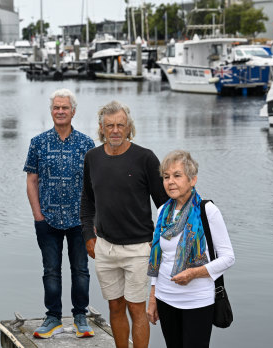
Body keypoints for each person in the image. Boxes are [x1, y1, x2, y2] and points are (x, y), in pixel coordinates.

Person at [80, 100, 169, 348]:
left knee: (136, 308)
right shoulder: (92, 158)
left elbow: (164, 205)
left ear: (128, 126)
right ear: (101, 129)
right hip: (105, 247)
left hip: (139, 249)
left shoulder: (146, 158)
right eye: (110, 126)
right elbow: (87, 202)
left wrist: (159, 242)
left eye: (120, 125)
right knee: (115, 306)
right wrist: (89, 235)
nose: (115, 130)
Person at [23, 89, 96, 339]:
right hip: (48, 219)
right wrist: (38, 216)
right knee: (51, 270)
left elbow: (94, 185)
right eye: (56, 107)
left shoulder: (86, 144)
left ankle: (80, 316)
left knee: (81, 270)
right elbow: (32, 181)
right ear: (51, 111)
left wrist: (93, 220)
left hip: (79, 220)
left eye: (65, 107)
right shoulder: (38, 142)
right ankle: (53, 317)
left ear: (73, 112)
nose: (60, 111)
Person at [146, 150, 235, 348]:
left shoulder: (207, 211)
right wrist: (153, 297)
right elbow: (158, 258)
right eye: (166, 177)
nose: (170, 182)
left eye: (177, 176)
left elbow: (228, 258)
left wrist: (194, 273)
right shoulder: (162, 212)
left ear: (192, 180)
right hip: (165, 297)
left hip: (197, 300)